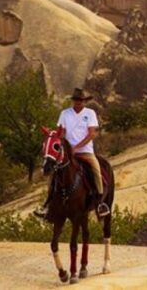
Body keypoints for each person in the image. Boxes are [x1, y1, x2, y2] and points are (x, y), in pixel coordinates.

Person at [34, 88, 109, 218]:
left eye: (81, 100)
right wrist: (62, 143)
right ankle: (47, 204)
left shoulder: (90, 113)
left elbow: (92, 134)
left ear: (84, 101)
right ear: (73, 101)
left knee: (96, 170)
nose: (78, 102)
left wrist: (77, 147)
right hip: (67, 152)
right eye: (76, 100)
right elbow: (61, 133)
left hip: (85, 151)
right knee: (54, 173)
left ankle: (100, 203)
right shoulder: (65, 114)